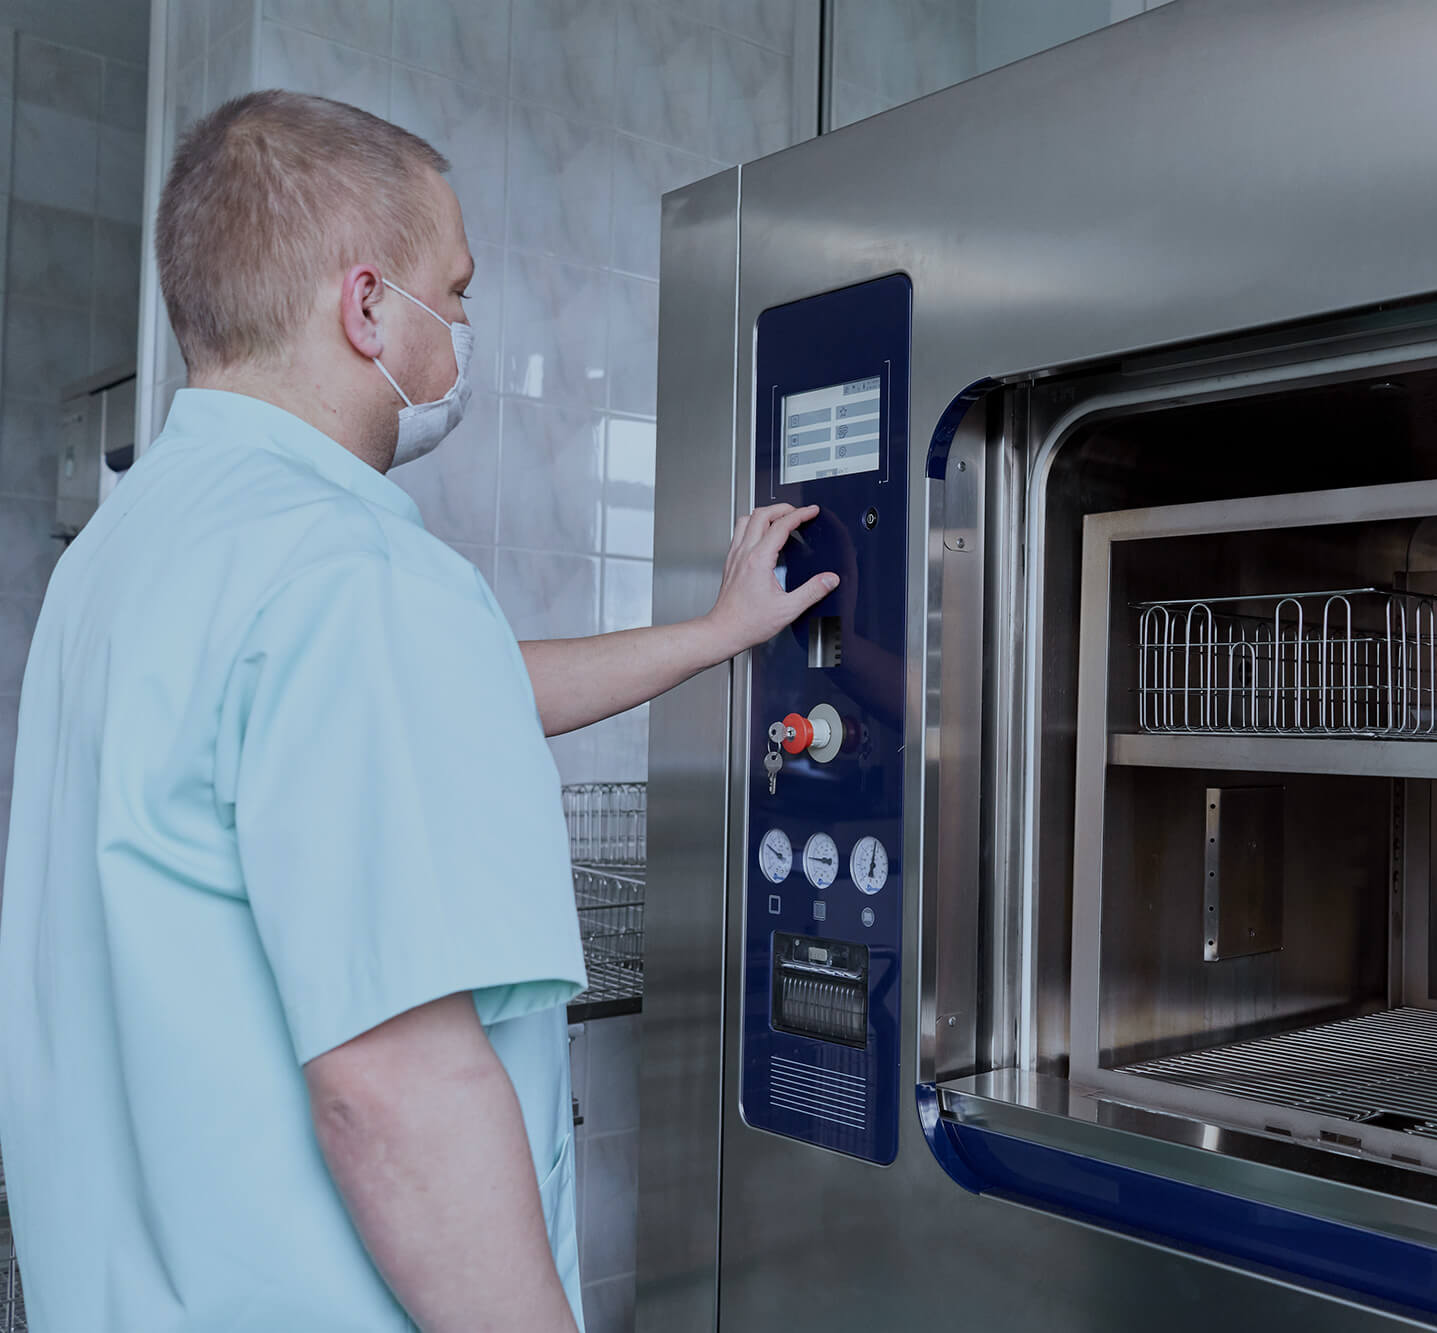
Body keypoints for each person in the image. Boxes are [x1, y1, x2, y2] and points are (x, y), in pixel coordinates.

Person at [0, 91, 832, 1332]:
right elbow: (392, 1088)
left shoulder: (127, 554)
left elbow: (458, 694)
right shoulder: (353, 575)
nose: (462, 327)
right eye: (458, 289)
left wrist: (716, 636)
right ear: (367, 303)